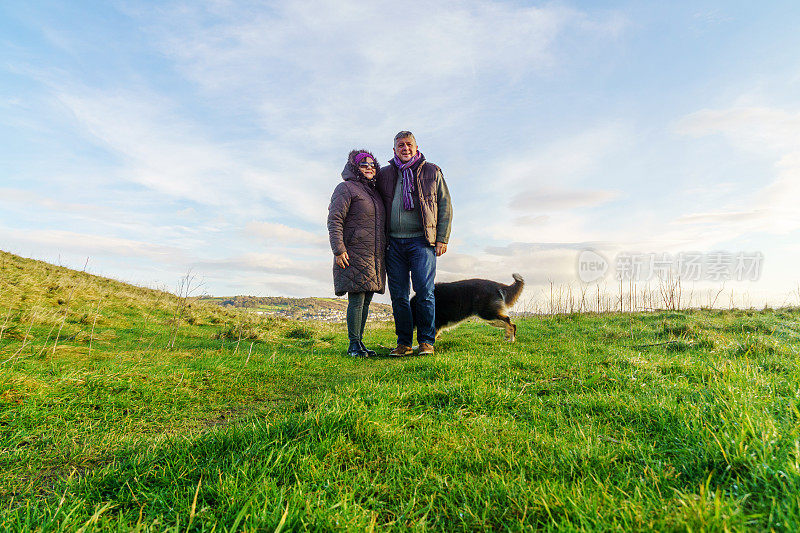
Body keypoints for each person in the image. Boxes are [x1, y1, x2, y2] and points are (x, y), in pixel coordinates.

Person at [377, 131, 452, 356]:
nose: (405, 148)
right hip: (394, 244)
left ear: (416, 147)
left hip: (422, 242)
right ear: (394, 150)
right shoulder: (385, 174)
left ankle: (426, 341)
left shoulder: (432, 171)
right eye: (400, 145)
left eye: (409, 144)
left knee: (424, 292)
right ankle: (404, 343)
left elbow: (445, 206)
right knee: (399, 295)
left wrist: (442, 238)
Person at [327, 150, 386, 357]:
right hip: (353, 251)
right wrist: (338, 249)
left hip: (373, 255)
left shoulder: (374, 193)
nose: (369, 167)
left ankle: (360, 344)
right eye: (363, 164)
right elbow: (335, 219)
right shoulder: (345, 188)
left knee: (367, 298)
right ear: (354, 168)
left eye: (372, 164)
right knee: (357, 298)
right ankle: (353, 345)